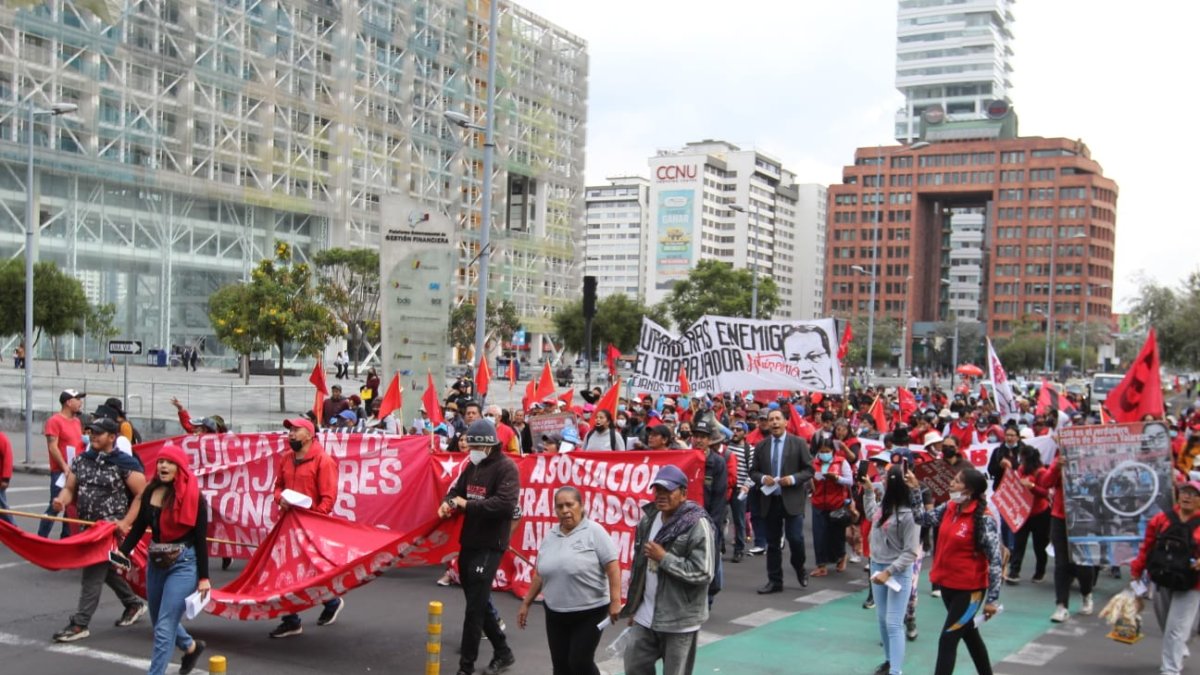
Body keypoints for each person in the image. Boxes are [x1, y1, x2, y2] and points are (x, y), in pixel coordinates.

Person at [50, 417, 148, 642]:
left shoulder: (125, 463)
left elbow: (143, 495)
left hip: (109, 530)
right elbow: (69, 488)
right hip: (88, 527)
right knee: (108, 569)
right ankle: (133, 604)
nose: (93, 436)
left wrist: (124, 523)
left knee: (93, 572)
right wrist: (61, 501)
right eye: (91, 432)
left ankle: (80, 623)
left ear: (112, 437)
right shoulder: (82, 460)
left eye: (99, 433)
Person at [115, 444, 209, 675]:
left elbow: (200, 540)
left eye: (169, 462)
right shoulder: (149, 492)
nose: (163, 466)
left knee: (164, 627)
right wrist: (122, 552)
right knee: (158, 621)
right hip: (156, 561)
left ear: (180, 468)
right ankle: (190, 646)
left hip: (184, 564)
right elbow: (139, 527)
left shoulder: (194, 498)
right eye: (160, 462)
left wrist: (204, 578)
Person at [438, 419, 520, 675]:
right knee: (479, 603)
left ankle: (466, 667)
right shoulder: (473, 467)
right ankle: (503, 652)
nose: (469, 450)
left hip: (490, 544)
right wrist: (447, 503)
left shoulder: (507, 468)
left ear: (487, 445)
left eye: (473, 445)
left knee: (474, 609)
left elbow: (504, 505)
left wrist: (465, 505)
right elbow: (455, 492)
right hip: (469, 541)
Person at [618, 465, 715, 675]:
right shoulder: (649, 519)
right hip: (646, 616)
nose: (661, 496)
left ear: (683, 494)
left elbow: (704, 572)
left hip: (679, 620)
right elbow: (640, 566)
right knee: (634, 666)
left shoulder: (697, 524)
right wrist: (635, 606)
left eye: (668, 491)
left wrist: (664, 558)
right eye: (658, 490)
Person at [906, 467, 1002, 675]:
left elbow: (995, 561)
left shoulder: (985, 520)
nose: (951, 484)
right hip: (947, 586)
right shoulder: (950, 507)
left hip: (970, 592)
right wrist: (915, 489)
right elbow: (922, 519)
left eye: (957, 481)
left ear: (969, 491)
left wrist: (992, 600)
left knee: (948, 640)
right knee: (969, 634)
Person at [517, 486, 621, 675]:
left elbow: (613, 567)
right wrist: (526, 603)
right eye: (559, 506)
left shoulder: (594, 532)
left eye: (569, 504)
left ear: (581, 506)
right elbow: (540, 572)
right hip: (556, 612)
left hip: (590, 612)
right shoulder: (551, 535)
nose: (564, 510)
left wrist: (616, 601)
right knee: (560, 665)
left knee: (579, 662)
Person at [269, 418, 345, 638]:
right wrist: (279, 499)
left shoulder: (323, 461)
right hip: (287, 524)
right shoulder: (285, 458)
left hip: (310, 528)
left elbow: (328, 499)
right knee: (286, 573)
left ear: (309, 435)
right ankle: (292, 620)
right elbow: (278, 487)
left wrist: (314, 522)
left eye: (295, 430)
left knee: (310, 573)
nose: (290, 434)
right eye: (289, 430)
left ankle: (331, 602)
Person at [1129, 480, 1200, 675]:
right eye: (1184, 492)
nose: (1187, 496)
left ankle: (1170, 669)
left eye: (1194, 494)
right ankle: (1178, 648)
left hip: (1192, 583)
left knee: (1176, 629)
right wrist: (1136, 571)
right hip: (1162, 578)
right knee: (1167, 622)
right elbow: (1147, 547)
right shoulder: (1160, 520)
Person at [862, 465, 921, 675]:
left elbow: (911, 552)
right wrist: (868, 491)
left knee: (893, 622)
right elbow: (870, 515)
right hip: (878, 567)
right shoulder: (884, 507)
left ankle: (896, 671)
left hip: (897, 572)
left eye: (887, 479)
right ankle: (888, 661)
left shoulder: (909, 515)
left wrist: (890, 571)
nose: (883, 481)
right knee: (881, 618)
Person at [749, 408, 814, 593]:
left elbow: (809, 470)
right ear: (767, 423)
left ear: (786, 422)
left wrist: (792, 479)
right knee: (773, 543)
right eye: (771, 420)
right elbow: (753, 471)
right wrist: (762, 479)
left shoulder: (798, 443)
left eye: (778, 419)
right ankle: (775, 581)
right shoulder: (762, 446)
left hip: (792, 499)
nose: (775, 422)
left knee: (795, 538)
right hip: (770, 500)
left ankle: (799, 567)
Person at [1039, 452, 1098, 622]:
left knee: (1082, 562)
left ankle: (1086, 593)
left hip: (1084, 518)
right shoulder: (1061, 459)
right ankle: (1061, 605)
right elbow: (1045, 483)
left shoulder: (1091, 461)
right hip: (1060, 517)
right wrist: (1057, 468)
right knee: (1061, 563)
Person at [39, 389, 87, 539]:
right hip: (61, 472)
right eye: (78, 399)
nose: (81, 403)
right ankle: (41, 537)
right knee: (55, 505)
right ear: (68, 402)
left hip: (76, 470)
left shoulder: (77, 421)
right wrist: (65, 467)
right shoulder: (54, 421)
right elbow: (53, 447)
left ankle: (66, 538)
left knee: (71, 508)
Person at [810, 436, 853, 577]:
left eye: (827, 451)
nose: (824, 454)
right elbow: (807, 480)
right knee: (819, 535)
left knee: (836, 535)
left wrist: (837, 478)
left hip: (836, 504)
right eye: (822, 451)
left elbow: (850, 481)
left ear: (833, 451)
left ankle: (841, 556)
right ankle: (821, 565)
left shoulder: (842, 462)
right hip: (818, 503)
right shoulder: (813, 463)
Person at [1008, 445, 1051, 584]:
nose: (1021, 461)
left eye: (1023, 459)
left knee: (1040, 545)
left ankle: (1040, 572)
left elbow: (1045, 493)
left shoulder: (1042, 472)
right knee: (1018, 543)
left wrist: (1032, 487)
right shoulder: (1021, 469)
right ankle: (1014, 572)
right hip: (1023, 512)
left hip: (1040, 513)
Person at [0, 429, 12, 524]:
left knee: (3, 508)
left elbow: (8, 459)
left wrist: (5, 479)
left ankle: (13, 528)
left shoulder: (2, 438)